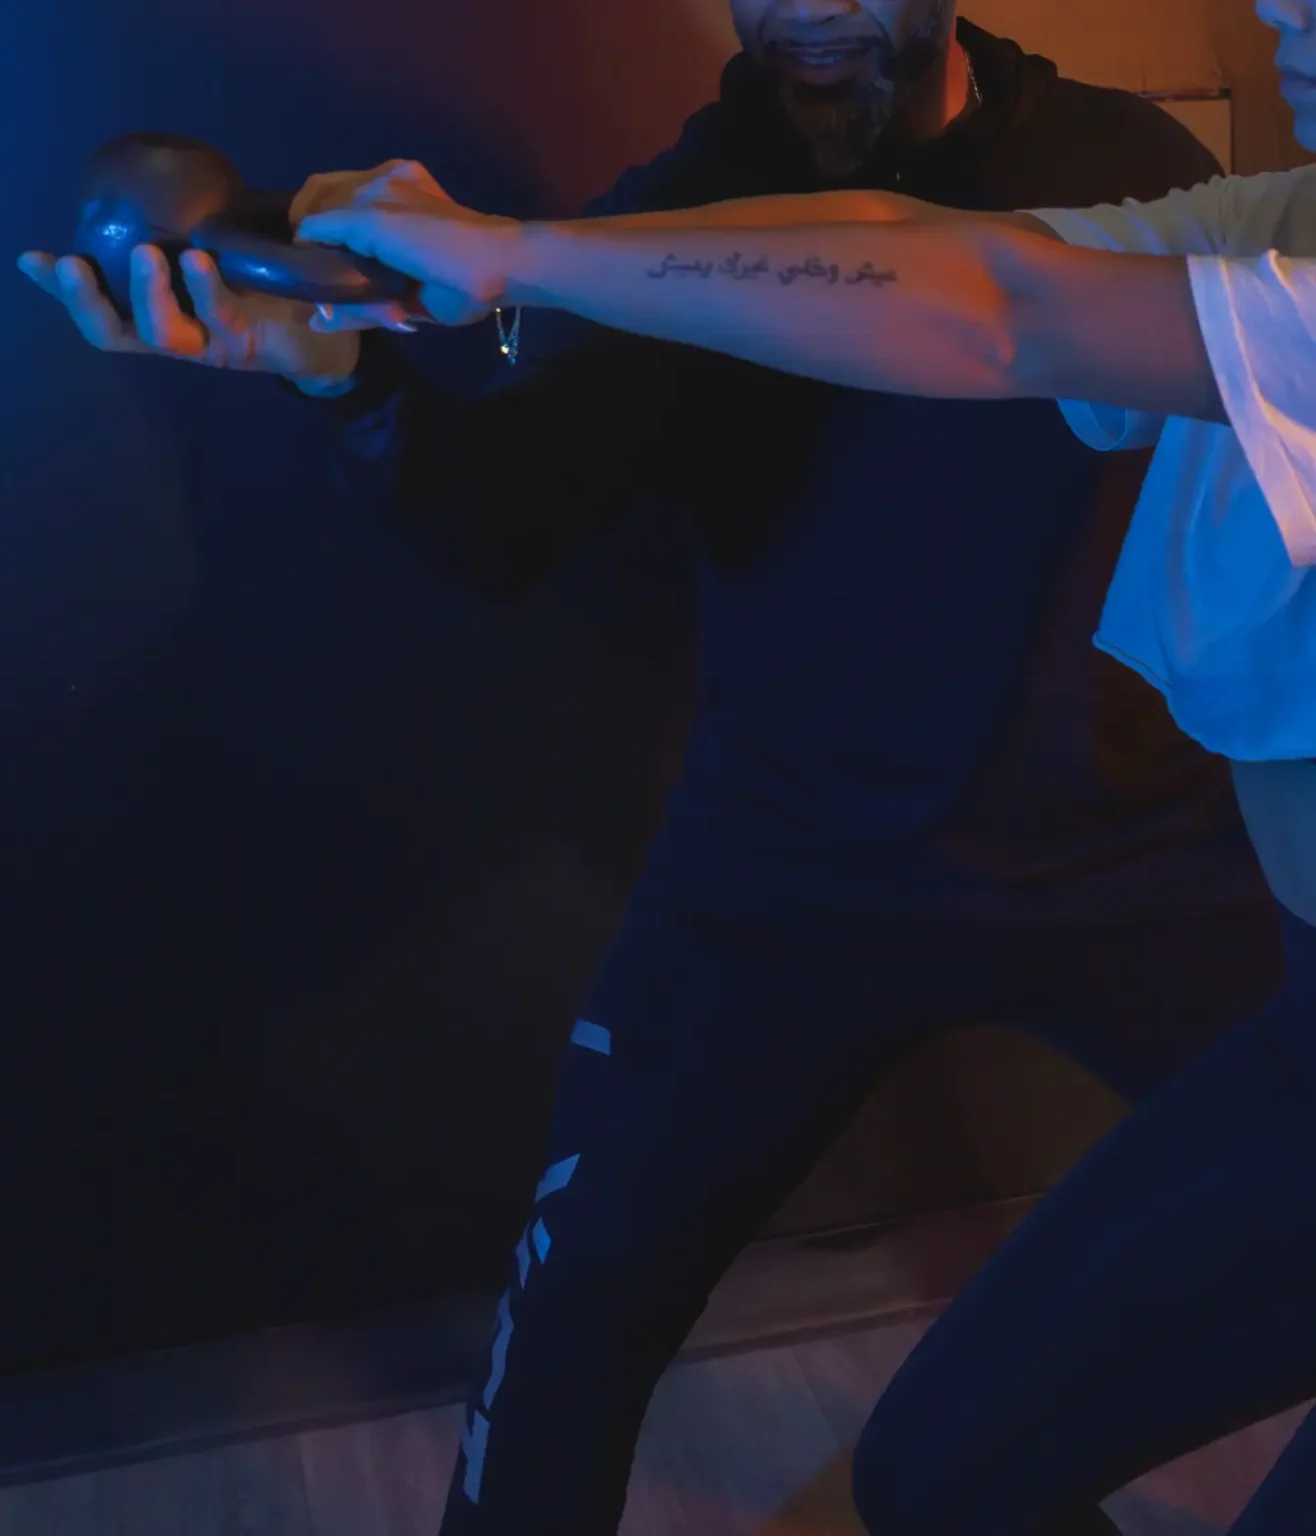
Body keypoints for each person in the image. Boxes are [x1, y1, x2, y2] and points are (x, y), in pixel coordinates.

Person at [18, 5, 1289, 1533]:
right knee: (578, 1320)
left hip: (1130, 852)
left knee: (1010, 1423)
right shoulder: (674, 215)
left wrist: (514, 258)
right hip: (790, 870)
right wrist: (334, 366)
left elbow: (997, 299)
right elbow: (507, 513)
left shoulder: (1143, 166)